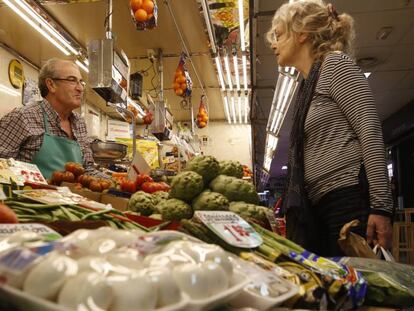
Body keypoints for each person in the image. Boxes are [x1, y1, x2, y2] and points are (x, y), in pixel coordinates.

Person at [267, 0, 393, 256]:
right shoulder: (306, 86)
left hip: (347, 199)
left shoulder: (335, 65)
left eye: (278, 35)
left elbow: (369, 129)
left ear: (302, 34)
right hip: (319, 205)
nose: (273, 44)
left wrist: (381, 207)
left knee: (358, 285)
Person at [0, 58, 99, 179]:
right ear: (51, 85)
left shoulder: (79, 123)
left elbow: (87, 169)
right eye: (72, 80)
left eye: (81, 82)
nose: (80, 88)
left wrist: (117, 182)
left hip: (73, 198)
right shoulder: (24, 117)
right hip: (31, 196)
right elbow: (2, 165)